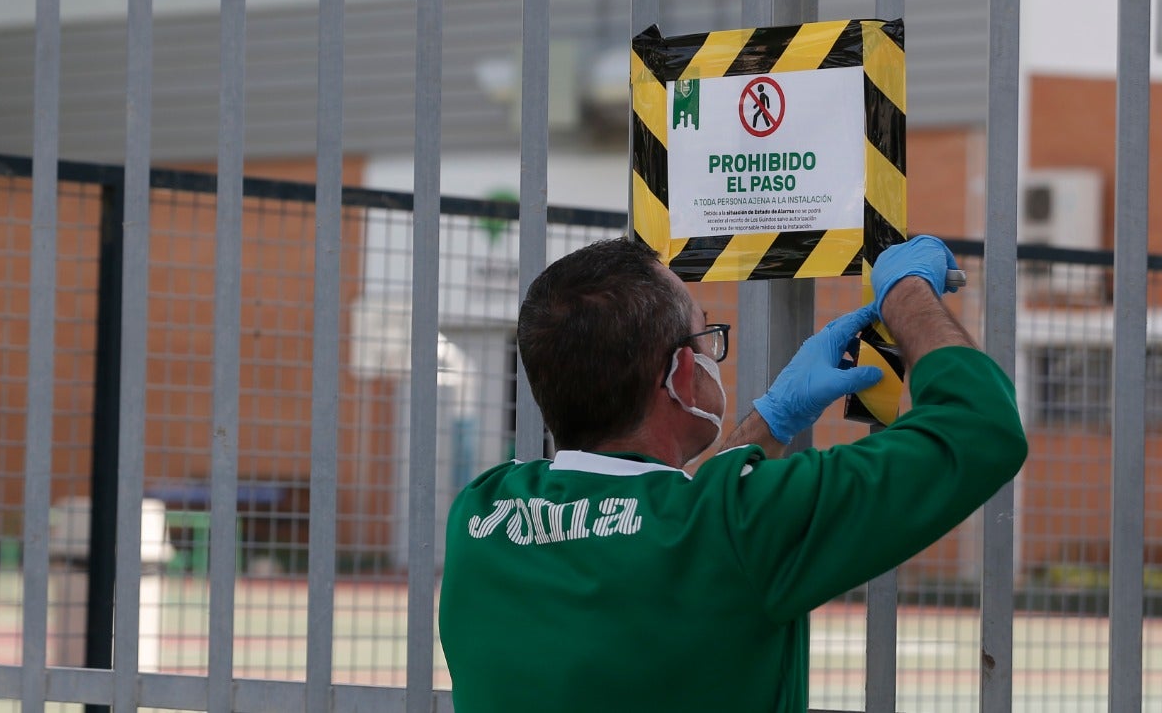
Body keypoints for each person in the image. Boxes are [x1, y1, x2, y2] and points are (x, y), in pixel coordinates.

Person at [439, 235, 1028, 712]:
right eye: (706, 337)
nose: (713, 355)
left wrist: (770, 422)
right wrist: (905, 294)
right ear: (677, 374)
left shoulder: (481, 517)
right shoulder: (743, 525)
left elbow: (667, 527)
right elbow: (979, 427)